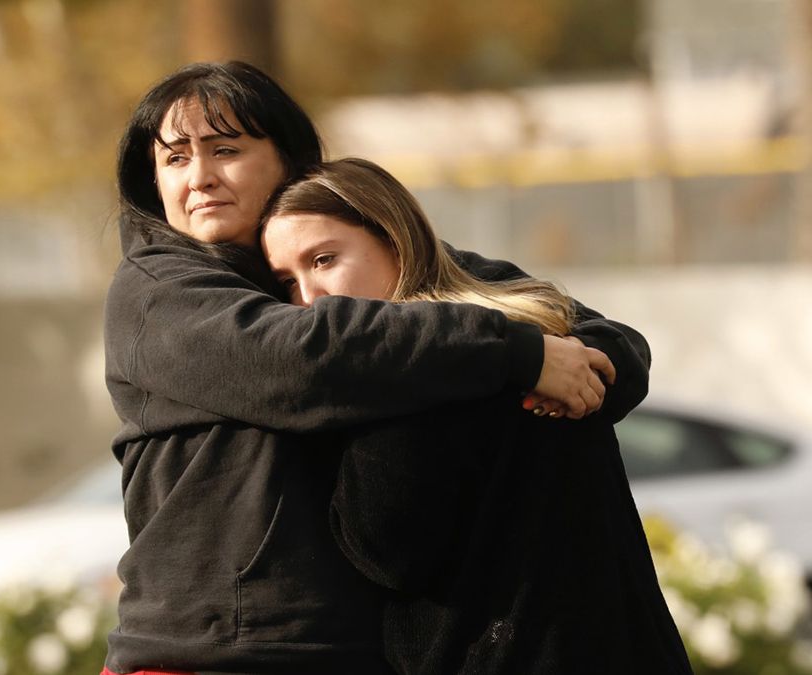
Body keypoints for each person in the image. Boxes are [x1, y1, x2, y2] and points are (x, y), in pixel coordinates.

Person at [102, 61, 643, 675]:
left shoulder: (344, 249)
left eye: (226, 149)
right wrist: (518, 355)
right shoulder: (157, 292)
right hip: (215, 657)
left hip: (363, 653)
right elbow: (305, 358)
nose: (199, 177)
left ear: (290, 161)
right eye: (174, 159)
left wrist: (597, 366)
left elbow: (553, 318)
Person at [260, 157, 691, 674]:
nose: (309, 299)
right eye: (287, 281)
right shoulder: (538, 332)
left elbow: (390, 553)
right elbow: (619, 356)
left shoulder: (415, 378)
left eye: (325, 259)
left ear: (395, 240)